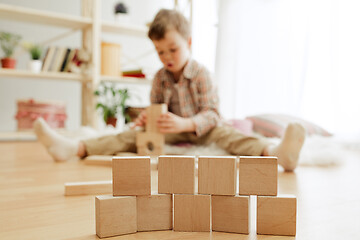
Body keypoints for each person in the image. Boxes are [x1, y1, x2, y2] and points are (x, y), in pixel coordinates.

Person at [34, 9, 305, 171]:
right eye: (160, 51)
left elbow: (212, 113)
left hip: (204, 128)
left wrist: (186, 122)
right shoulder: (160, 78)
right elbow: (155, 110)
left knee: (231, 137)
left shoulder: (201, 74)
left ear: (189, 42)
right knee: (128, 137)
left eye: (172, 49)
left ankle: (277, 153)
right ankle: (75, 148)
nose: (167, 57)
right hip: (170, 132)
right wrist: (146, 120)